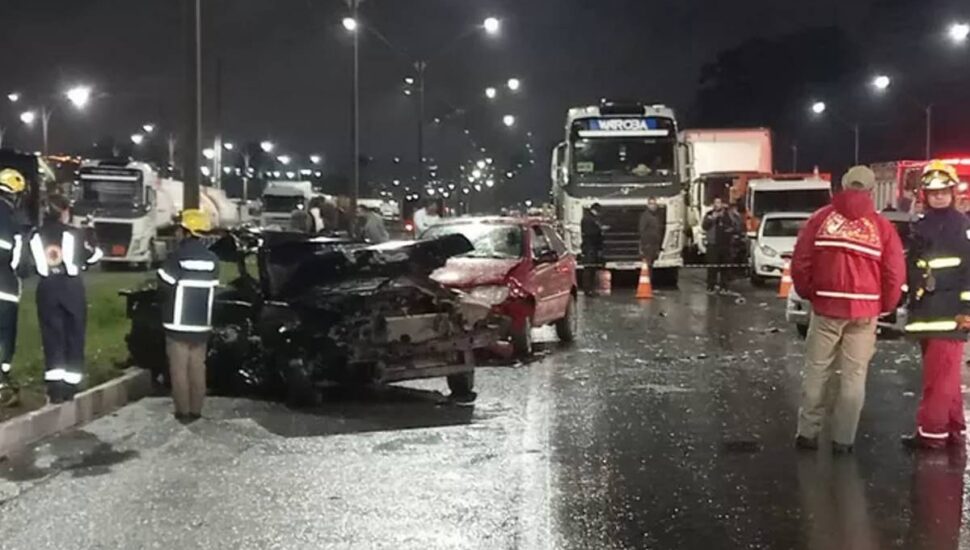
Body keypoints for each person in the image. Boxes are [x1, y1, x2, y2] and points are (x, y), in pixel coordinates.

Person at [791, 165, 905, 454]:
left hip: (826, 307)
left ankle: (808, 433)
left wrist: (809, 292)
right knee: (854, 376)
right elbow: (894, 272)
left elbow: (801, 260)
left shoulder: (820, 219)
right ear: (871, 191)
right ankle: (843, 440)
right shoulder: (881, 227)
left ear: (842, 186)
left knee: (817, 370)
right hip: (864, 311)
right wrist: (885, 305)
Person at [901, 162, 970, 450]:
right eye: (933, 192)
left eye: (944, 191)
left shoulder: (963, 226)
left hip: (951, 313)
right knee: (945, 376)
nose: (939, 196)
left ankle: (932, 433)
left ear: (953, 193)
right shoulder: (920, 225)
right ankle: (953, 428)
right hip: (925, 312)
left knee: (938, 378)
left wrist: (966, 310)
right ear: (925, 195)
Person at [28, 195, 103, 402]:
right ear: (64, 211)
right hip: (71, 287)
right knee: (74, 333)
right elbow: (93, 256)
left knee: (52, 335)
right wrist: (91, 234)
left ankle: (55, 387)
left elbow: (27, 263)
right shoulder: (74, 233)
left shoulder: (35, 234)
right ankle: (71, 385)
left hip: (47, 287)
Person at [157, 209, 220, 423]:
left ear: (186, 232)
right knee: (197, 368)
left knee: (179, 370)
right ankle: (196, 410)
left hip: (178, 324)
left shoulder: (177, 258)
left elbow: (163, 286)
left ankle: (182, 412)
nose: (176, 233)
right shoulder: (212, 260)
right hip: (201, 323)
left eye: (179, 229)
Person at [0, 169, 27, 391]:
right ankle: (3, 378)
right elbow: (18, 261)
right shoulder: (12, 220)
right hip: (5, 287)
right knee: (6, 333)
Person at [702, 198, 741, 293]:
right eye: (715, 203)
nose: (717, 205)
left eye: (719, 202)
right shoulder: (709, 214)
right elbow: (704, 226)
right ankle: (711, 286)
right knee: (712, 266)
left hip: (726, 244)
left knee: (725, 267)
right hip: (713, 244)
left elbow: (736, 225)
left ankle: (724, 286)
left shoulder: (729, 215)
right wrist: (713, 218)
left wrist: (731, 230)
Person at [581, 203, 605, 295]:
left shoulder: (590, 218)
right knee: (589, 268)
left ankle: (591, 289)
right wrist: (600, 230)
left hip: (591, 246)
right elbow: (590, 233)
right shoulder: (589, 219)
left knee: (592, 268)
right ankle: (588, 289)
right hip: (590, 246)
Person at [638, 198, 663, 267]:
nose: (653, 206)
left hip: (655, 244)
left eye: (654, 204)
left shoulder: (657, 216)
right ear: (648, 205)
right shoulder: (645, 216)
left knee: (653, 263)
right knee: (648, 264)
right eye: (651, 204)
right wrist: (645, 243)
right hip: (648, 245)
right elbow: (642, 230)